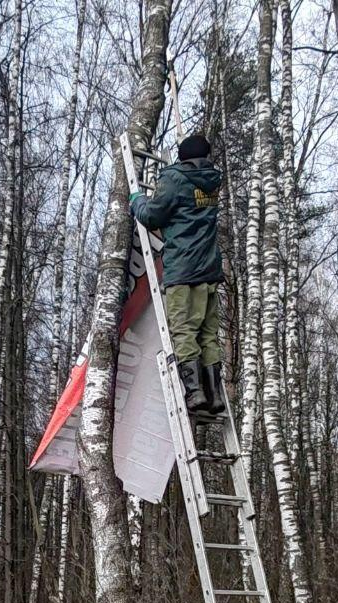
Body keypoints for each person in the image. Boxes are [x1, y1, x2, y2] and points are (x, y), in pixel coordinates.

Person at [129, 133, 226, 415]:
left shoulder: (174, 179)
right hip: (209, 271)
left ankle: (195, 393)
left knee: (183, 330)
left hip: (183, 270)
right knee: (208, 335)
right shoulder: (211, 182)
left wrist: (137, 200)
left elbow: (152, 216)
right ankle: (216, 395)